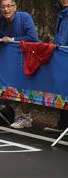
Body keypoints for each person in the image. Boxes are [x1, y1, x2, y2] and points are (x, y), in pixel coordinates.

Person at [0, 0, 39, 129]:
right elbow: (1, 34)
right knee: (14, 83)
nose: (6, 9)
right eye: (3, 7)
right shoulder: (2, 19)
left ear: (15, 7)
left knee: (24, 85)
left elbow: (33, 37)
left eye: (9, 6)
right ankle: (17, 114)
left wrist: (12, 40)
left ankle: (26, 117)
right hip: (13, 59)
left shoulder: (25, 17)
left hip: (29, 57)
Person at [44, 0, 68, 133]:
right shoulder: (60, 11)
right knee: (61, 88)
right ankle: (63, 123)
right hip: (61, 55)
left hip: (64, 53)